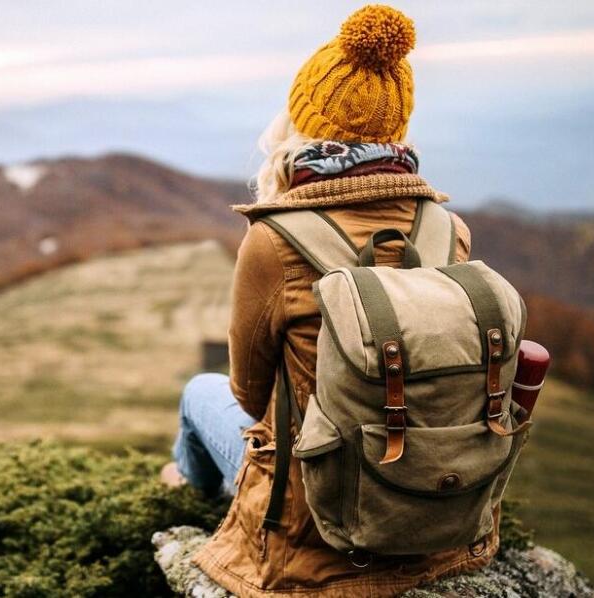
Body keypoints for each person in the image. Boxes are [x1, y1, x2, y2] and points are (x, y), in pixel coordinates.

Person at [162, 5, 496, 596]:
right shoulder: (449, 230)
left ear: (302, 123)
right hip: (433, 493)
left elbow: (248, 394)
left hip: (318, 521)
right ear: (398, 131)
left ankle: (180, 484)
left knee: (200, 394)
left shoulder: (273, 241)